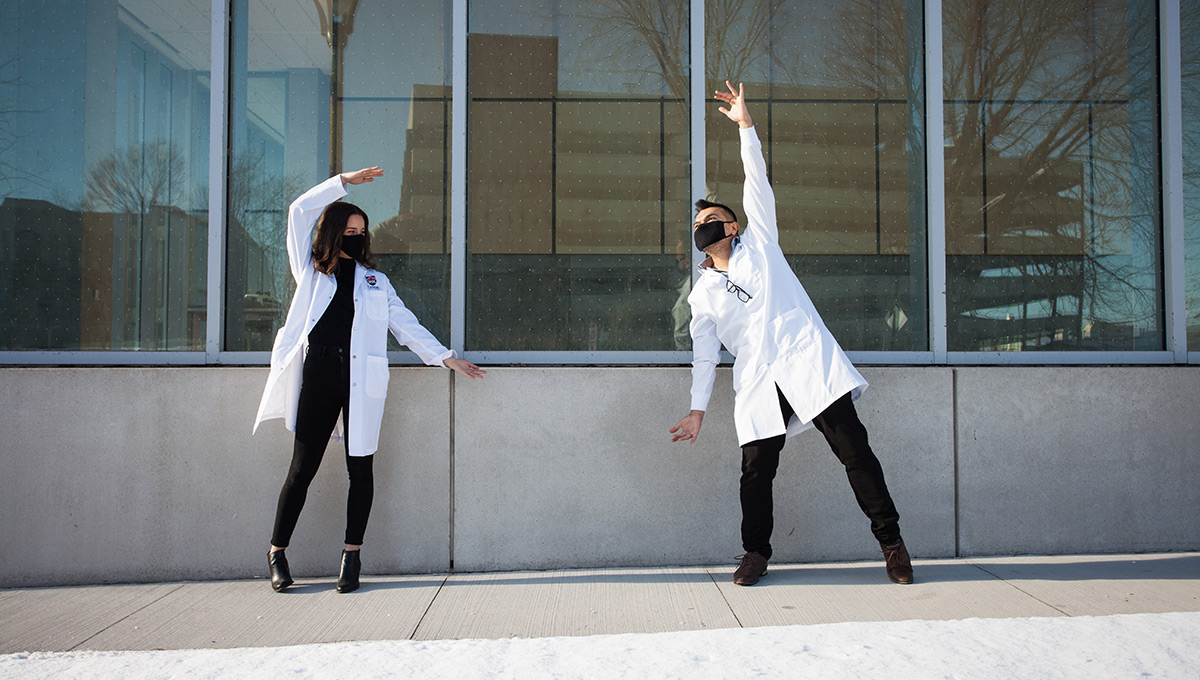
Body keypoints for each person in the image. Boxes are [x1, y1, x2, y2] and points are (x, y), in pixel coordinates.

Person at [669, 83, 913, 587]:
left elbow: (756, 178)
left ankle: (891, 543)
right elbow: (703, 356)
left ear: (733, 226)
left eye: (712, 219)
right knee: (756, 471)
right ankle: (755, 554)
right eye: (697, 224)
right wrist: (697, 409)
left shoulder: (763, 244)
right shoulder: (702, 296)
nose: (703, 227)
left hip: (806, 362)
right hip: (758, 380)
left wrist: (745, 126)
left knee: (855, 451)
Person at [253, 166, 485, 593]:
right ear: (334, 232)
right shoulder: (310, 269)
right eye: (350, 229)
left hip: (360, 378)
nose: (357, 236)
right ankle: (277, 551)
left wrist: (446, 358)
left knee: (360, 469)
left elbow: (406, 326)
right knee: (302, 468)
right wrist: (342, 182)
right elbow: (298, 211)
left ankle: (351, 556)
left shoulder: (376, 281)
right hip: (319, 372)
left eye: (362, 231)